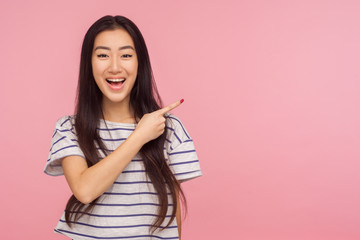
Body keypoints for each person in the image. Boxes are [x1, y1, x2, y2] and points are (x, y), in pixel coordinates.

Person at [44, 15, 202, 240]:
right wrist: (139, 136)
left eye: (126, 55)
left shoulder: (169, 129)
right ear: (89, 63)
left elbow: (172, 209)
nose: (115, 66)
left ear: (140, 63)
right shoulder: (70, 129)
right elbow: (84, 190)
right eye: (102, 55)